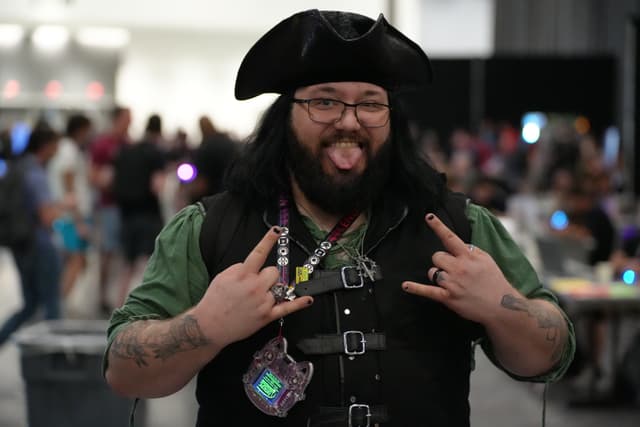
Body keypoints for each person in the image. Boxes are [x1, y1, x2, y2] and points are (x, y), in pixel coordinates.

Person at [104, 10, 575, 426]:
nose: (349, 121)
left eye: (370, 103)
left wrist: (501, 308)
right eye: (324, 101)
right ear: (284, 117)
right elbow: (123, 372)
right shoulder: (209, 229)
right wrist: (205, 326)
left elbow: (549, 356)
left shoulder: (457, 228)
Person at [0, 126, 66, 346]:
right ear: (46, 145)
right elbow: (46, 216)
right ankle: (53, 358)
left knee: (30, 304)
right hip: (40, 245)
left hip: (20, 243)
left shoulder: (17, 167)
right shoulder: (36, 173)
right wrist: (65, 206)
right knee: (52, 305)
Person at [111, 114, 167, 307]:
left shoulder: (127, 150)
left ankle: (119, 304)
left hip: (126, 214)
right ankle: (142, 306)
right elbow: (157, 186)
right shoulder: (155, 153)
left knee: (127, 263)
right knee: (147, 264)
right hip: (148, 214)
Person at [47, 113, 94, 298]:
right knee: (75, 260)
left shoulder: (67, 149)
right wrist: (78, 218)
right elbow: (68, 181)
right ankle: (58, 304)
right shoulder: (69, 150)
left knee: (75, 261)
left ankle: (58, 303)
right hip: (71, 216)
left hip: (68, 214)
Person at [89, 106, 131, 314]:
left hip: (126, 206)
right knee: (107, 252)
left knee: (123, 255)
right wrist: (107, 181)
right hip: (109, 207)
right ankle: (102, 294)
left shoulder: (128, 144)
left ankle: (117, 297)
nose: (129, 123)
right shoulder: (103, 144)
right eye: (127, 119)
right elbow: (92, 175)